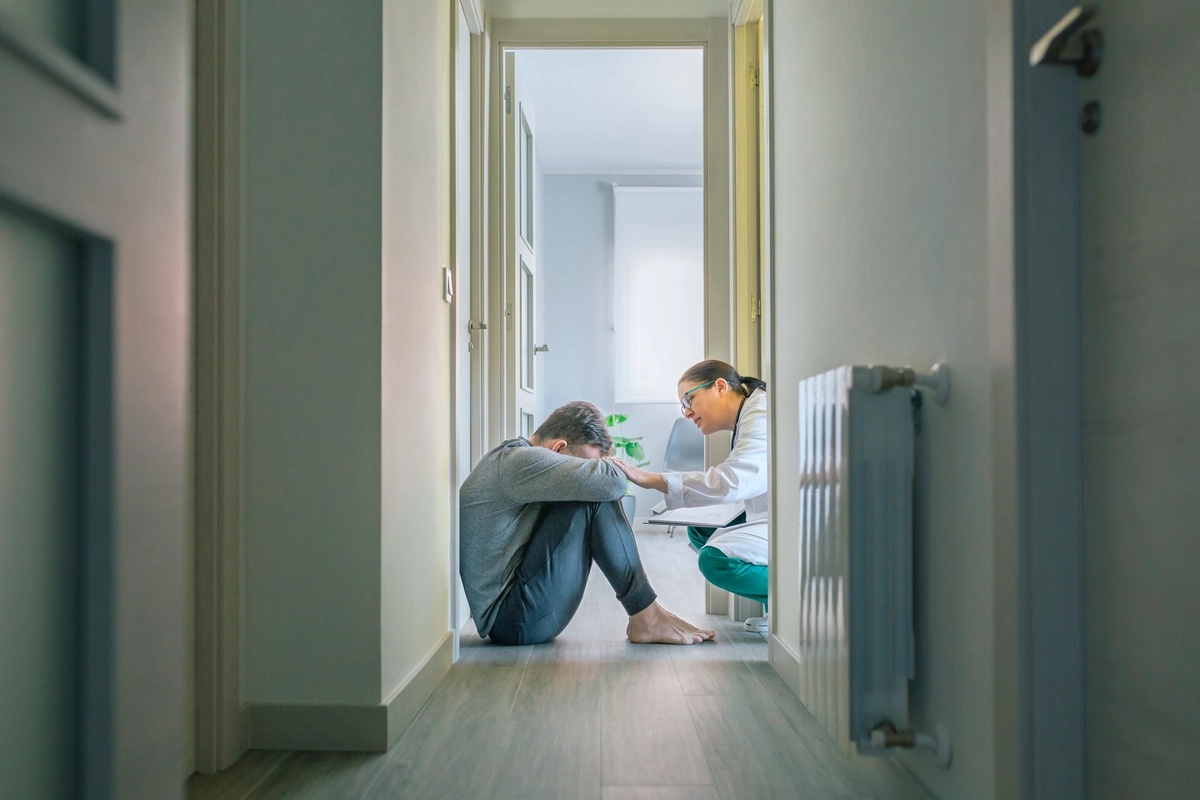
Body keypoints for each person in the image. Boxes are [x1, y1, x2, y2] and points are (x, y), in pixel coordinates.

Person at [459, 400, 716, 646]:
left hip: (519, 612)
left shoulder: (514, 458)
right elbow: (612, 482)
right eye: (583, 463)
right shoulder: (520, 462)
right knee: (594, 495)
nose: (582, 470)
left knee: (593, 488)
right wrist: (605, 469)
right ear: (558, 449)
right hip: (513, 620)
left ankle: (649, 612)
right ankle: (647, 617)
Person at [613, 360, 769, 631]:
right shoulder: (750, 412)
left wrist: (654, 480)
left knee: (716, 562)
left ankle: (794, 601)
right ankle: (775, 606)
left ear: (720, 386)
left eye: (689, 400)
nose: (686, 413)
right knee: (699, 529)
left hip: (795, 524)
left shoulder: (761, 415)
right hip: (768, 512)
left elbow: (732, 482)